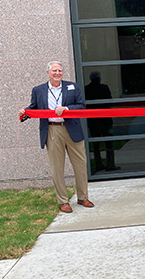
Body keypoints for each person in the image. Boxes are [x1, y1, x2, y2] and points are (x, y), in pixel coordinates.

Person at [17, 61, 94, 213]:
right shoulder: (38, 90)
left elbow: (81, 106)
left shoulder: (72, 87)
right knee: (57, 168)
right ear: (48, 73)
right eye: (54, 71)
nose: (58, 73)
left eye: (60, 70)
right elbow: (33, 108)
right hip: (52, 131)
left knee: (80, 165)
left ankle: (83, 197)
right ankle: (63, 201)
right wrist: (24, 112)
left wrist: (66, 108)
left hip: (73, 129)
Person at [84, 71, 119, 173]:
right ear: (99, 78)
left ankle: (98, 164)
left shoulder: (86, 89)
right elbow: (109, 101)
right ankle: (110, 164)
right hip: (105, 119)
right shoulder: (104, 87)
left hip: (92, 120)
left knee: (96, 144)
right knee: (109, 143)